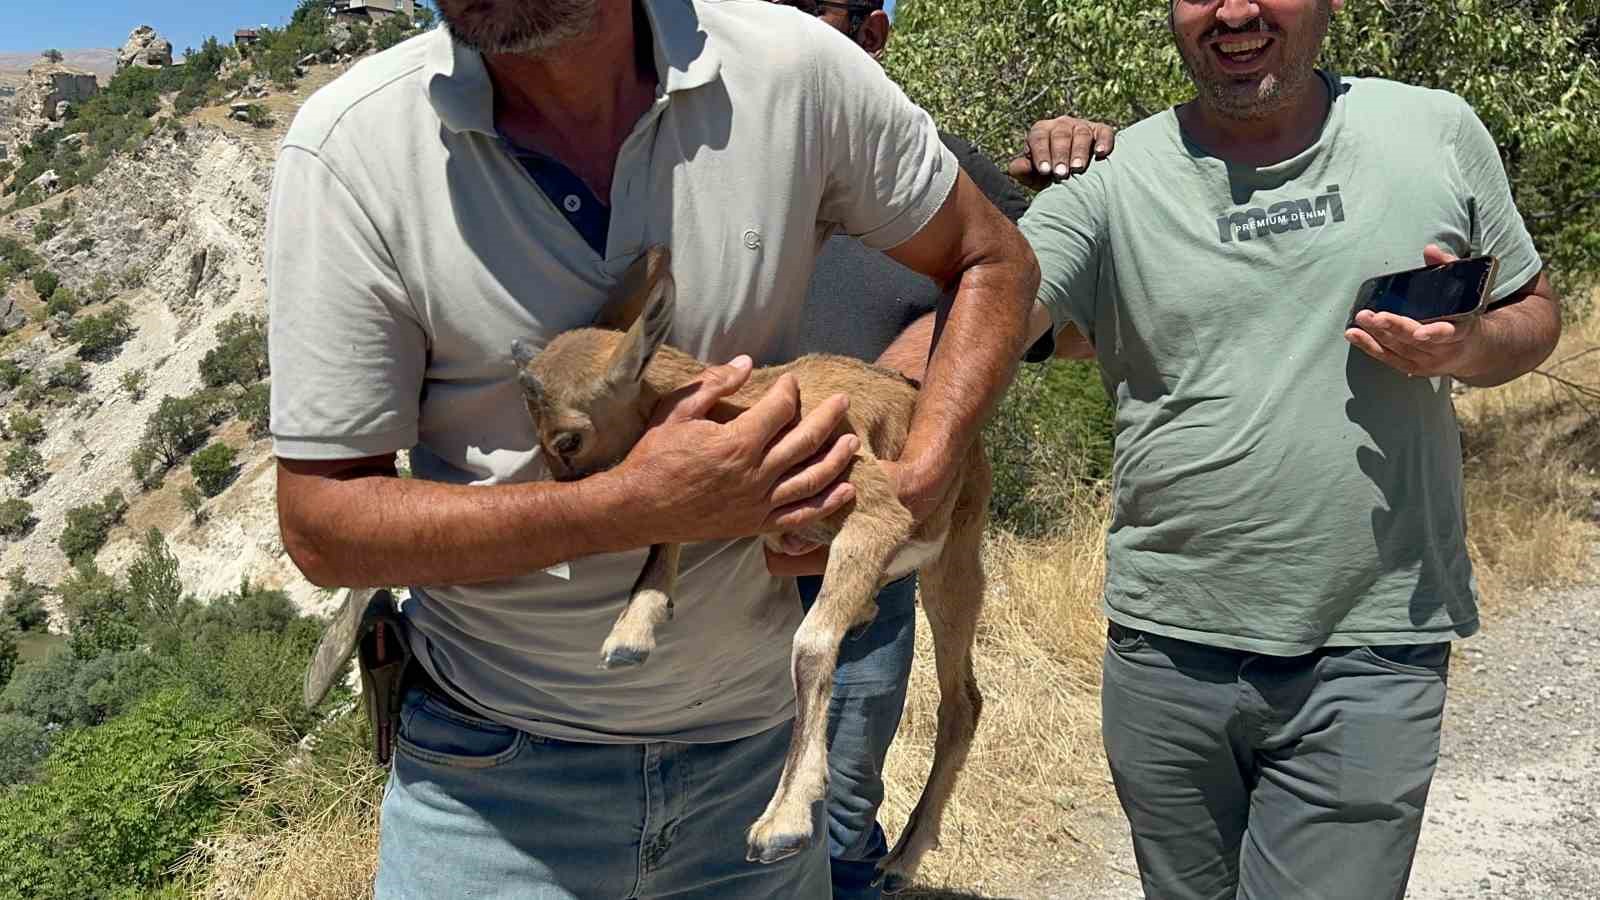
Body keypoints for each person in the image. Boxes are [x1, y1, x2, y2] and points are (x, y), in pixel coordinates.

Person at [265, 0, 1040, 895]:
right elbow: (324, 526)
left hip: (760, 763)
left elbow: (993, 259)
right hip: (494, 791)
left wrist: (922, 470)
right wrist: (627, 507)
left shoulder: (795, 72)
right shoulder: (350, 148)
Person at [1013, 0, 1562, 897]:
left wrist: (1466, 346)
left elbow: (1534, 313)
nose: (1233, 11)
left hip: (1374, 643)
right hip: (1165, 649)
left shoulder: (1434, 129)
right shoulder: (1113, 175)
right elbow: (995, 319)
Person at [756, 3, 1114, 897]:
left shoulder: (931, 165)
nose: (787, 27)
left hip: (872, 513)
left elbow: (1062, 310)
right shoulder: (721, 155)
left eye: (818, 11)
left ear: (871, 34)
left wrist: (1088, 166)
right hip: (730, 519)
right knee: (730, 772)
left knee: (844, 771)